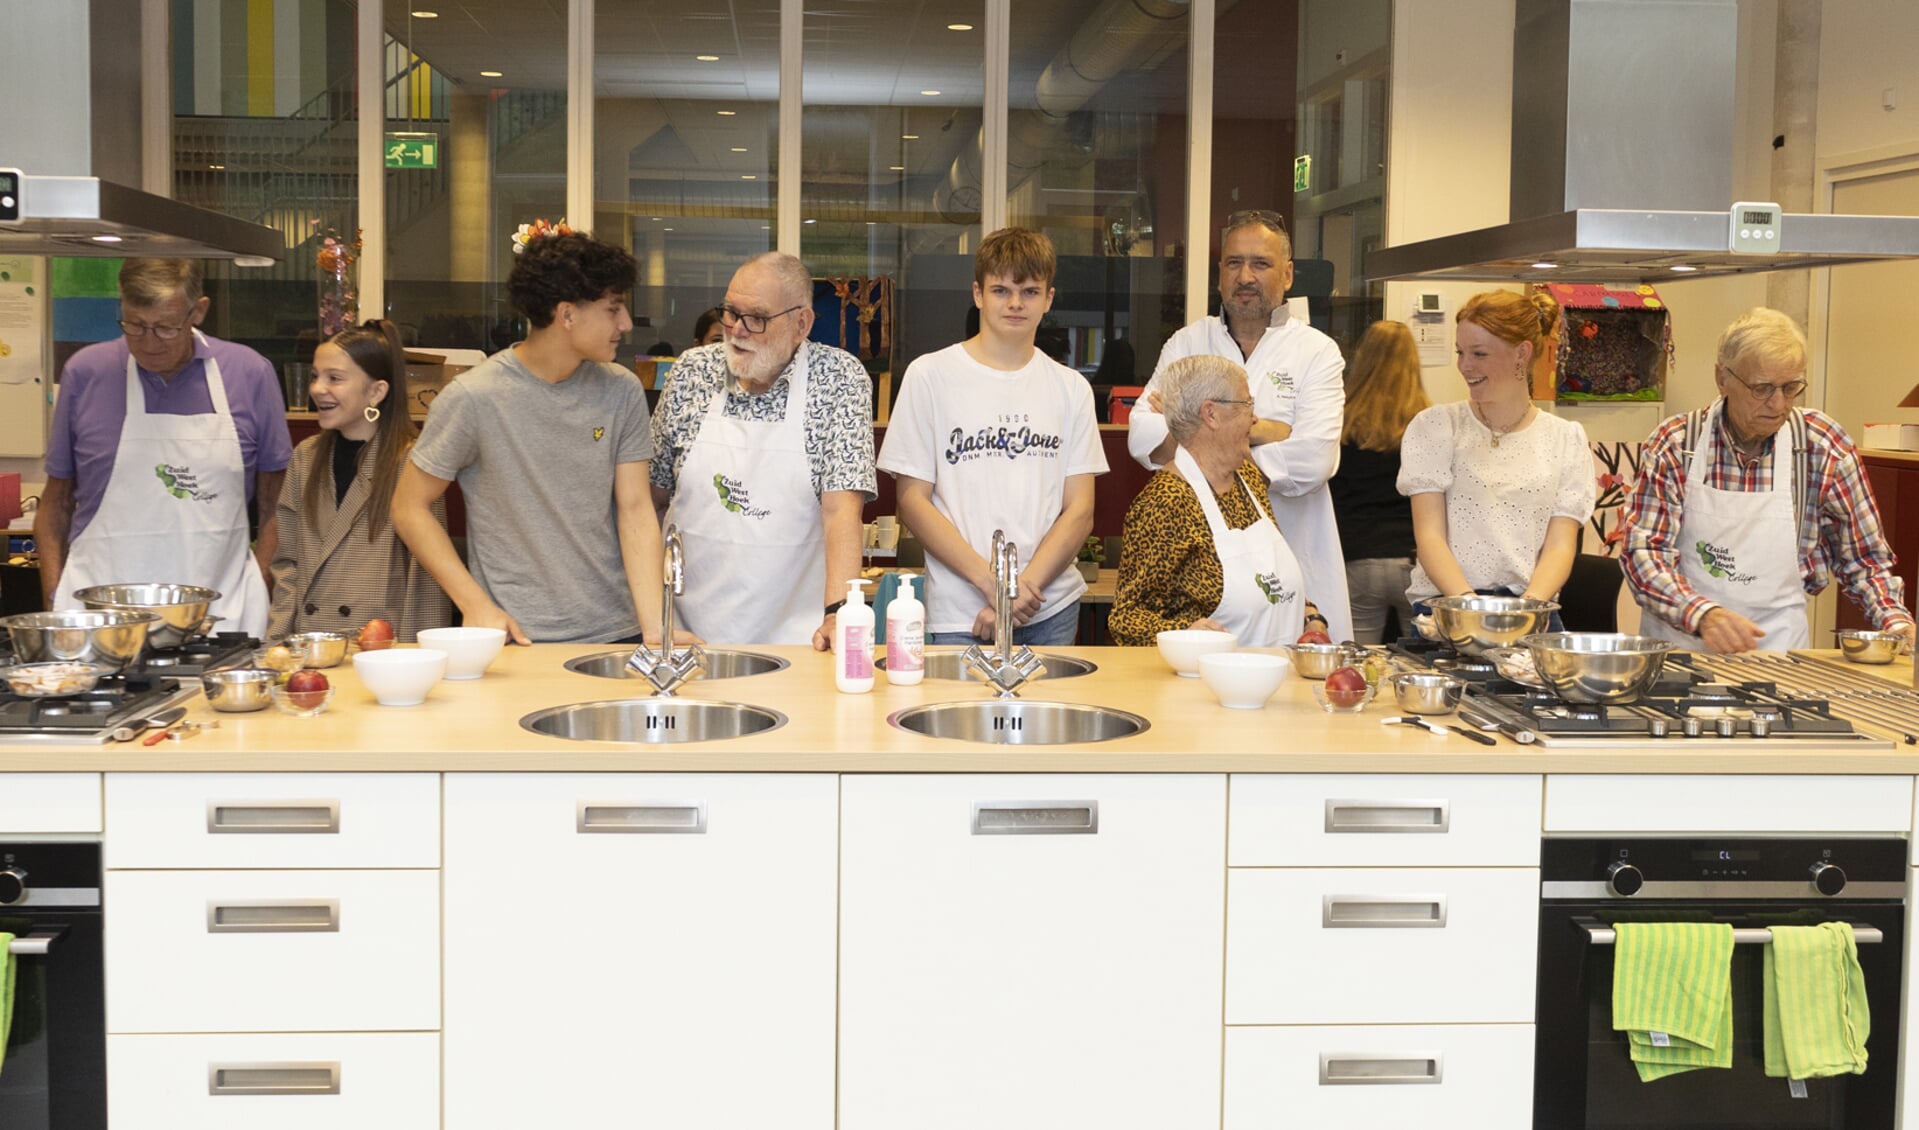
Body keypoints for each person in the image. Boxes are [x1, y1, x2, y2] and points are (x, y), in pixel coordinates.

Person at [391, 230, 678, 645]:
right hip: (516, 637)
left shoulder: (621, 389)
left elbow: (635, 509)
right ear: (567, 314)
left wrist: (655, 626)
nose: (626, 324)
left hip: (618, 631)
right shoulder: (474, 397)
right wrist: (474, 603)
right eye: (613, 309)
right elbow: (407, 506)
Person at [1621, 307, 1915, 653]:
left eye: (1791, 387)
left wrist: (1895, 620)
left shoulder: (1821, 447)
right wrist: (1703, 614)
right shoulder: (1675, 444)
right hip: (1680, 656)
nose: (1778, 404)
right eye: (1762, 388)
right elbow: (1643, 553)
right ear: (1722, 378)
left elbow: (1864, 560)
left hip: (1779, 655)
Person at [1124, 209, 1352, 641]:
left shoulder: (1317, 352)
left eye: (1260, 264)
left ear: (1286, 275)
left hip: (1298, 566)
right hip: (1204, 592)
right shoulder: (1187, 342)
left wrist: (1202, 440)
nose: (1245, 275)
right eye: (1233, 263)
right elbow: (1142, 437)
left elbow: (1314, 461)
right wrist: (1268, 430)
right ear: (1219, 274)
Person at [35, 258, 291, 637]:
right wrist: (56, 597)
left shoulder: (249, 373)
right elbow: (55, 504)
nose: (149, 342)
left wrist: (261, 583)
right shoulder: (86, 373)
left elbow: (278, 506)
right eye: (135, 325)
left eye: (166, 328)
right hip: (101, 620)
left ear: (198, 311)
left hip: (221, 615)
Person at [877, 227, 1107, 645]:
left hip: (1049, 607)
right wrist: (994, 587)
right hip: (959, 613)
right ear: (978, 294)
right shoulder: (929, 376)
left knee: (1048, 713)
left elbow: (1080, 510)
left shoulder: (1071, 387)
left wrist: (1018, 592)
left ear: (1049, 299)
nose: (1016, 303)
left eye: (1030, 291)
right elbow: (911, 501)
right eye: (1001, 290)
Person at [650, 253, 875, 648]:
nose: (737, 330)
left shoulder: (838, 378)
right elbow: (649, 501)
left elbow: (842, 510)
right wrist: (652, 614)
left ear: (801, 323)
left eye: (756, 318)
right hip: (687, 634)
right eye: (730, 313)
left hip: (797, 638)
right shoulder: (691, 373)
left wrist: (839, 612)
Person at [1399, 289, 1594, 625]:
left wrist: (1527, 610)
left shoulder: (1565, 438)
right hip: (1448, 610)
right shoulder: (1437, 427)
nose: (1464, 366)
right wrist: (1468, 609)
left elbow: (1561, 545)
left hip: (1529, 611)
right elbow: (1429, 536)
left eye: (1479, 354)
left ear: (1522, 353)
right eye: (1461, 352)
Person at [266, 320, 450, 642]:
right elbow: (287, 563)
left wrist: (421, 657)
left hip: (381, 651)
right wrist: (278, 645)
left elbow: (426, 579)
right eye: (315, 377)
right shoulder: (305, 457)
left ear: (376, 391)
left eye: (334, 378)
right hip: (313, 647)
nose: (317, 389)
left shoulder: (412, 460)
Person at [1110, 355, 1308, 647]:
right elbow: (1127, 619)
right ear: (1211, 414)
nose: (1254, 418)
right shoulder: (1166, 502)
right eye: (1246, 405)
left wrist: (1312, 616)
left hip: (1275, 679)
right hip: (1204, 684)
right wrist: (1187, 634)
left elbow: (1272, 578)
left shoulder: (1248, 479)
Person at [1329, 321, 1429, 643]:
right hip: (1415, 560)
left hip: (1359, 558)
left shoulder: (1341, 422)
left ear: (1363, 359)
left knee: (1357, 665)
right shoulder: (1429, 424)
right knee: (1422, 662)